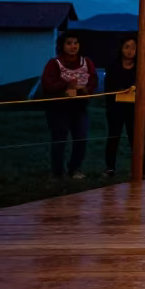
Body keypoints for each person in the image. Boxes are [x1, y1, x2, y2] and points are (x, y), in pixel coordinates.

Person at [39, 30, 97, 179]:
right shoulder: (54, 64)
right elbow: (48, 85)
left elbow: (93, 81)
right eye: (69, 43)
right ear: (62, 45)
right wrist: (66, 84)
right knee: (59, 139)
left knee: (81, 137)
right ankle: (58, 172)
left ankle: (74, 169)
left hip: (79, 105)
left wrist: (86, 90)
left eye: (76, 43)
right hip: (59, 107)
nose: (73, 46)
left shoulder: (86, 62)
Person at [103, 36, 145, 177]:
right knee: (113, 136)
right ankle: (110, 168)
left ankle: (142, 168)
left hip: (134, 107)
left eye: (134, 48)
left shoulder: (140, 67)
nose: (130, 51)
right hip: (116, 106)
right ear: (121, 48)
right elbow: (108, 88)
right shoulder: (113, 66)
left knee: (136, 137)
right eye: (127, 47)